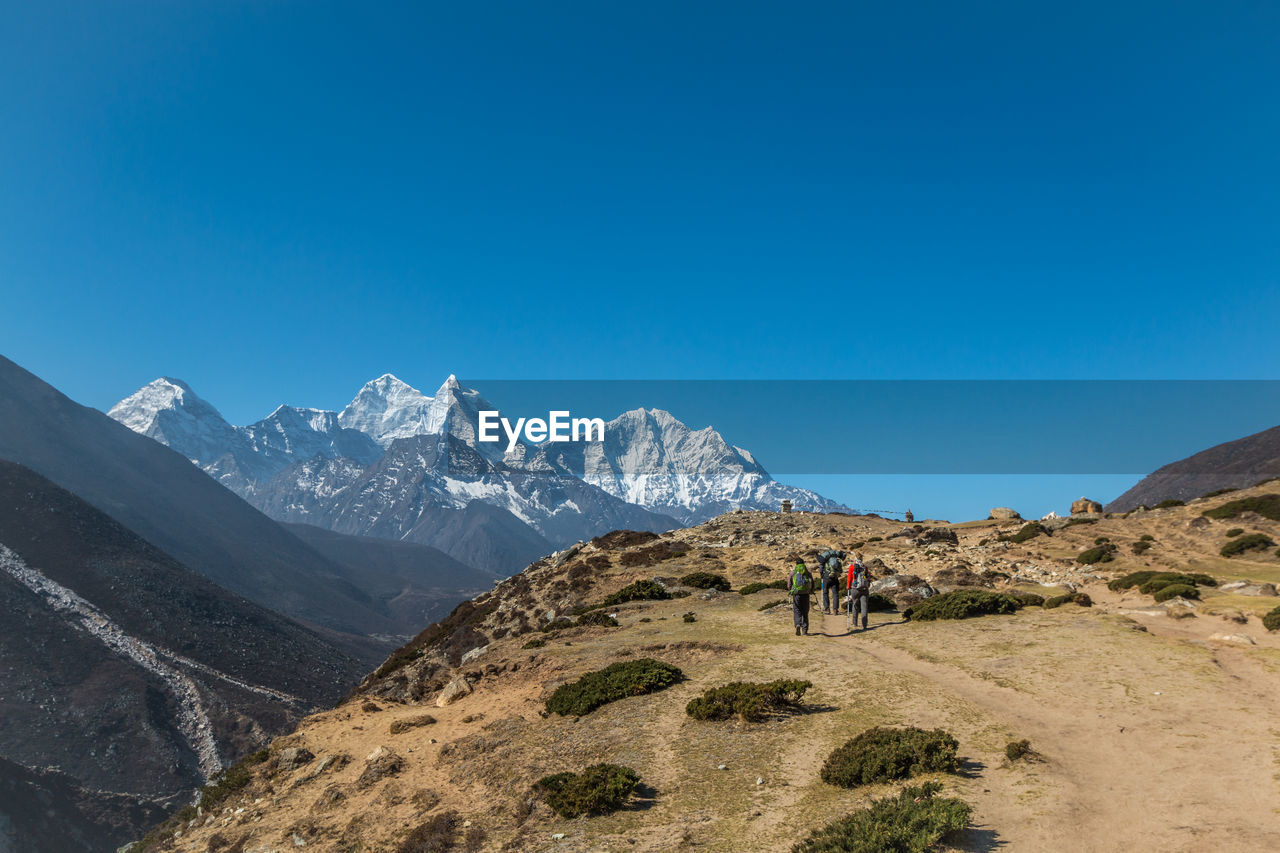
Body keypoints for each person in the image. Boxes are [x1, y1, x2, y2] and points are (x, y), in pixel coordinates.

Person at [788, 559, 814, 636]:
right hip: (806, 594)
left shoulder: (793, 573)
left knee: (797, 610)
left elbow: (789, 583)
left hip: (797, 594)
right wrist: (811, 590)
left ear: (796, 564)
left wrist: (790, 590)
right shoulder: (807, 572)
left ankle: (798, 624)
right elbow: (812, 582)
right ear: (803, 563)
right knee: (805, 612)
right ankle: (805, 630)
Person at [847, 551, 871, 631]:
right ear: (862, 558)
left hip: (855, 588)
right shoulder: (865, 567)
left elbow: (849, 578)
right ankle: (864, 625)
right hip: (864, 589)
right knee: (864, 607)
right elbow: (869, 577)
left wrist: (848, 586)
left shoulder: (852, 567)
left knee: (855, 605)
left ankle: (855, 623)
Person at [818, 549, 844, 614]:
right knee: (835, 593)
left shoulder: (825, 560)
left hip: (826, 577)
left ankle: (827, 609)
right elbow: (841, 570)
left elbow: (821, 568)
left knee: (825, 592)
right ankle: (835, 610)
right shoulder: (837, 560)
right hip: (835, 577)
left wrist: (821, 575)